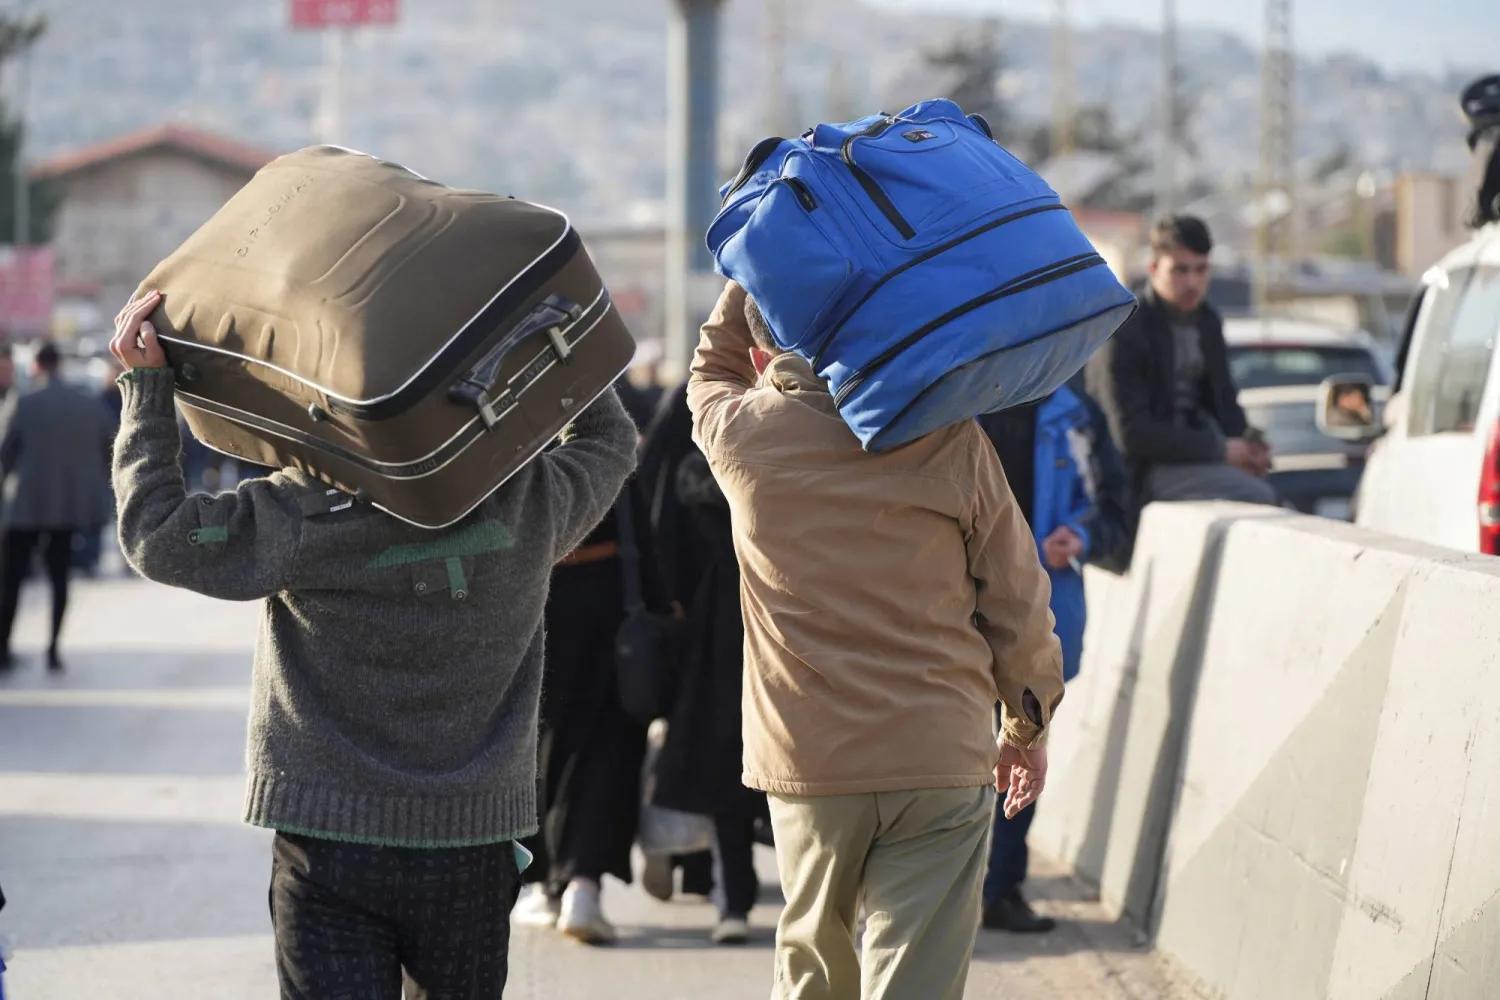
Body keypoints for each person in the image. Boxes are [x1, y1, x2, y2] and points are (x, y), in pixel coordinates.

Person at [107, 291, 637, 999]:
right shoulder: (528, 502)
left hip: (328, 839)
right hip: (472, 845)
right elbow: (610, 443)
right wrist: (556, 345)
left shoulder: (303, 510)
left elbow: (159, 533)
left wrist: (147, 390)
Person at [687, 282, 1064, 1000]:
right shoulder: (949, 435)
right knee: (917, 976)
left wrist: (755, 264)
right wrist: (1027, 721)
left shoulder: (742, 436)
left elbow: (712, 366)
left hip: (809, 756)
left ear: (767, 349)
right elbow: (1017, 595)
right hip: (938, 748)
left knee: (813, 972)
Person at [975, 379, 1130, 933]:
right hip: (959, 606)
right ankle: (964, 888)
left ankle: (1001, 888)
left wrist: (1080, 537)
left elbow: (1116, 510)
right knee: (961, 750)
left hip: (1041, 612)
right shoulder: (964, 395)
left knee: (1024, 742)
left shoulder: (1076, 414)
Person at [513, 381, 658, 946]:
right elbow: (644, 530)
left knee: (535, 744)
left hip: (533, 605)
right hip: (608, 609)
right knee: (606, 746)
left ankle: (543, 883)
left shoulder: (509, 431)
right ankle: (584, 884)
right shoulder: (607, 432)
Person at [641, 381, 769, 946]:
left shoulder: (695, 416)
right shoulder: (797, 423)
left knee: (723, 756)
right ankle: (738, 893)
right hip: (762, 617)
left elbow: (662, 509)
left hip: (718, 625)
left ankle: (729, 894)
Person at [1087, 215, 1276, 517]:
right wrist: (1220, 448)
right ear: (1153, 269)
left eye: (1201, 270)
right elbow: (1131, 433)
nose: (1192, 282)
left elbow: (1224, 401)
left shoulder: (1207, 321)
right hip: (1140, 474)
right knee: (1259, 499)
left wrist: (1249, 443)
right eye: (1180, 270)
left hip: (1198, 460)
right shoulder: (1126, 331)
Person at [0, 342, 114, 669]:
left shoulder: (22, 403)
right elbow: (111, 445)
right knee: (60, 579)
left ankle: (4, 647)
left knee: (12, 579)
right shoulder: (87, 405)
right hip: (67, 507)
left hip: (24, 508)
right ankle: (53, 649)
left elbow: (6, 457)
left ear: (36, 365)